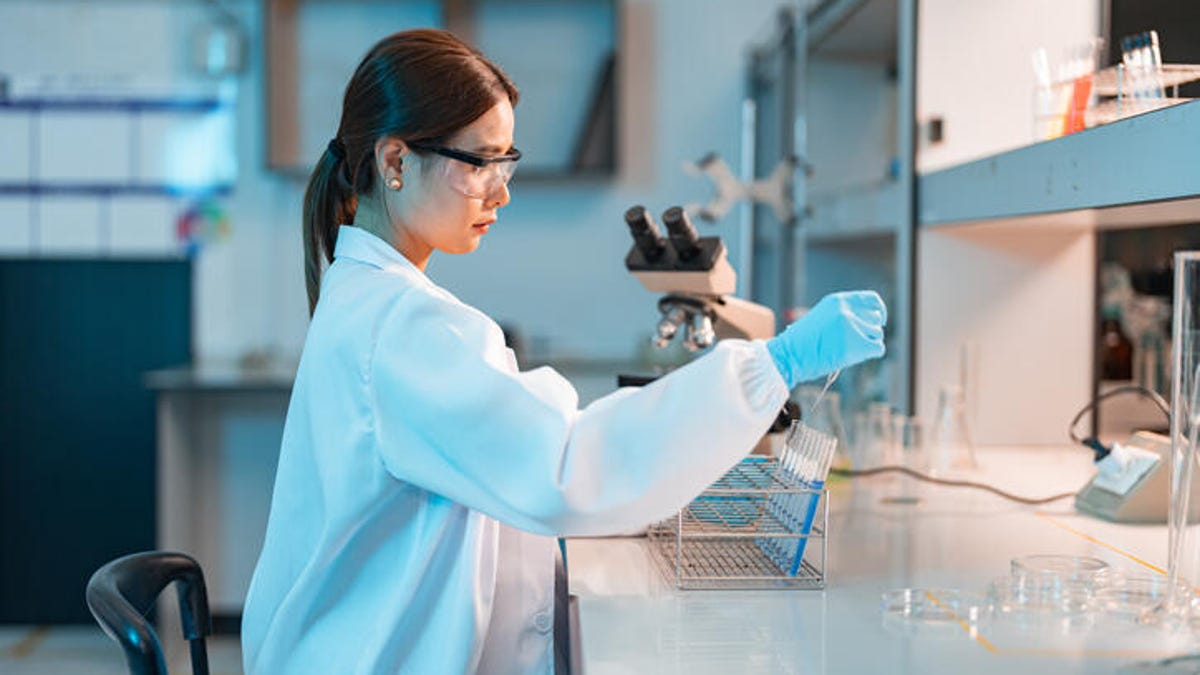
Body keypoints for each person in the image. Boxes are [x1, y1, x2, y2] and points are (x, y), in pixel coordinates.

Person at [242, 28, 886, 675]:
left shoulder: (368, 298)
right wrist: (775, 364)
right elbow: (565, 470)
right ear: (396, 162)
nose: (502, 192)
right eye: (479, 163)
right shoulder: (405, 325)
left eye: (506, 161)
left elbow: (531, 455)